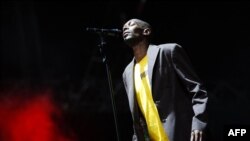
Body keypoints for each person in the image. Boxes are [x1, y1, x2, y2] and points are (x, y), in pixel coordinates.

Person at [122, 18, 208, 141]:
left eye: (131, 24)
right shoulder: (127, 72)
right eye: (124, 27)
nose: (125, 28)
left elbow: (197, 90)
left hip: (182, 134)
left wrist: (199, 124)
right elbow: (137, 118)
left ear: (146, 31)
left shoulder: (169, 52)